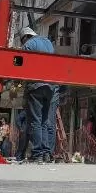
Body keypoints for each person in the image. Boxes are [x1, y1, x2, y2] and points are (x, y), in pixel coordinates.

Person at [19, 27, 60, 163]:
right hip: (50, 86)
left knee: (35, 120)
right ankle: (46, 153)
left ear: (25, 37)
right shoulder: (48, 42)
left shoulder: (28, 45)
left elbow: (20, 64)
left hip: (36, 85)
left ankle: (38, 153)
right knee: (45, 121)